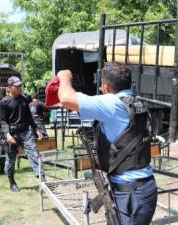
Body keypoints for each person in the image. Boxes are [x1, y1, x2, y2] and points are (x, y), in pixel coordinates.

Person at [57, 62, 157, 225]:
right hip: (141, 188)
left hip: (130, 193)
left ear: (105, 85)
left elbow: (66, 98)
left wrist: (64, 77)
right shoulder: (133, 102)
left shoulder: (112, 104)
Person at [0, 76, 44, 192]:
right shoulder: (4, 102)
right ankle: (12, 182)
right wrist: (7, 135)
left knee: (34, 153)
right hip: (12, 134)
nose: (20, 87)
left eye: (20, 85)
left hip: (25, 132)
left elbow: (29, 117)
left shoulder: (24, 99)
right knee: (11, 160)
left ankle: (43, 180)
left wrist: (36, 129)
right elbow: (3, 121)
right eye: (17, 86)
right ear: (10, 87)